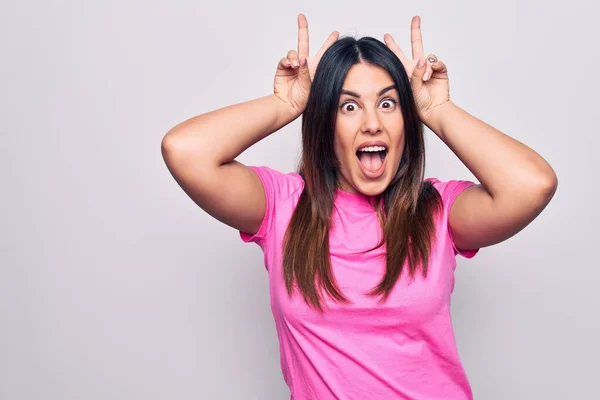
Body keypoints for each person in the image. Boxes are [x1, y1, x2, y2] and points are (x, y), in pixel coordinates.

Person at [161, 13, 557, 400]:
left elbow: (532, 185)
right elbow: (185, 151)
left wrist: (438, 111)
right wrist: (286, 102)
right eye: (348, 107)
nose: (372, 124)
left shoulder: (438, 212)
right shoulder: (283, 206)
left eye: (388, 104)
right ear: (324, 123)